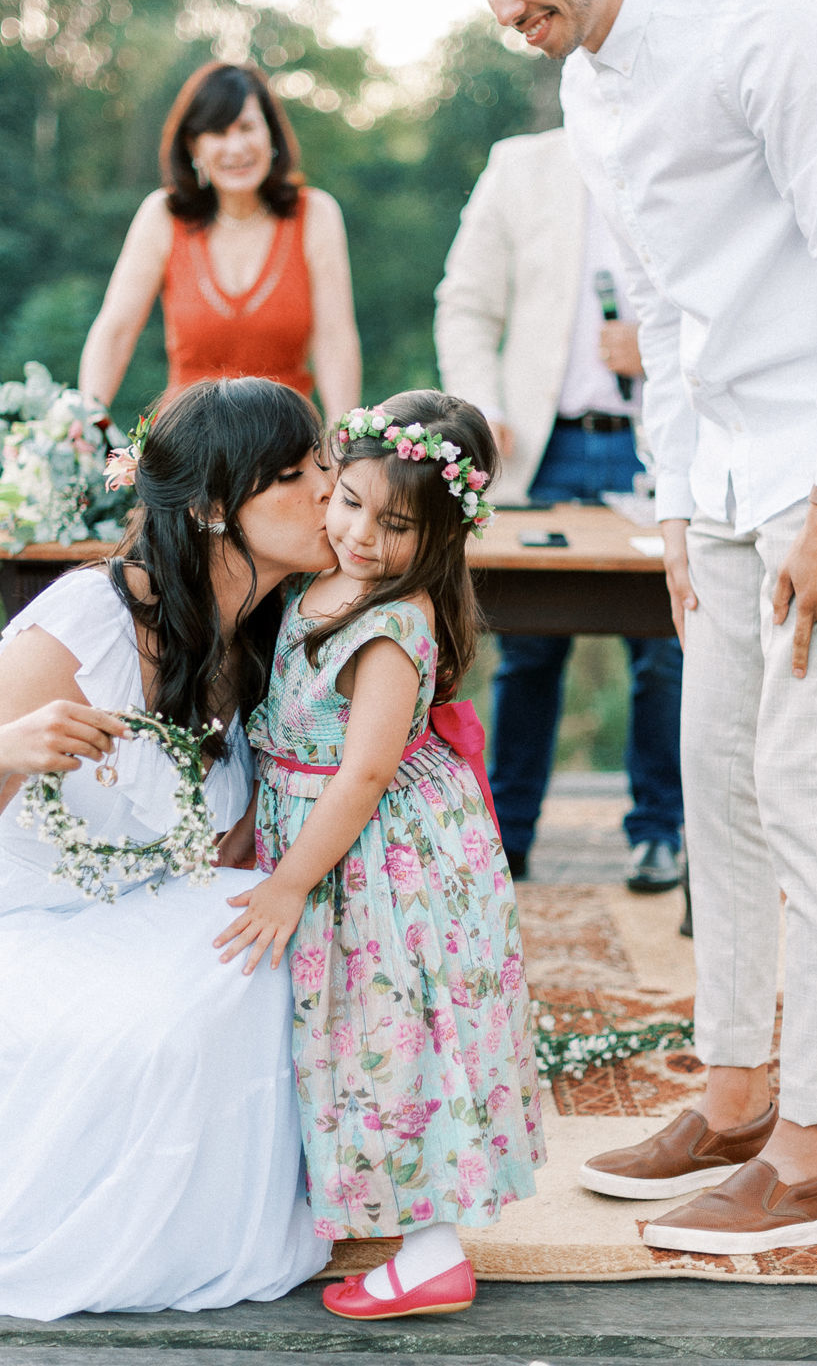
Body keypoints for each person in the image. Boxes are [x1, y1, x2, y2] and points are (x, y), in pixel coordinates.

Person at [433, 0, 817, 1257]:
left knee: (811, 796)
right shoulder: (584, 92)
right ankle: (740, 1094)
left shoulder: (762, 30)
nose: (512, 10)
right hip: (720, 487)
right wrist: (679, 514)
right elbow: (672, 319)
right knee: (716, 784)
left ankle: (815, 1154)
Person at [0, 378, 338, 1319]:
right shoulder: (84, 622)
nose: (325, 491)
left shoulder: (274, 633)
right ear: (214, 507)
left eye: (323, 466)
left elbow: (229, 851)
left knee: (280, 956)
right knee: (179, 1021)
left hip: (130, 912)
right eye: (294, 475)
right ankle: (124, 1233)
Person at [214, 390, 544, 1321]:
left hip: (383, 859)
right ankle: (374, 1211)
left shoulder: (394, 623)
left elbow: (360, 776)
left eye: (393, 524)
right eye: (348, 500)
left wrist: (286, 880)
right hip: (327, 836)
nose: (359, 532)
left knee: (396, 1033)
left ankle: (434, 1250)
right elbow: (288, 729)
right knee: (349, 1033)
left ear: (438, 537)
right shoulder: (317, 580)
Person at [435, 128, 683, 889]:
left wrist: (662, 348)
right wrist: (481, 407)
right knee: (526, 650)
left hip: (654, 438)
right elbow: (465, 305)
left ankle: (659, 832)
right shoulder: (522, 163)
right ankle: (505, 836)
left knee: (668, 647)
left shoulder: (685, 151)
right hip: (537, 449)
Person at [79, 61, 361, 423]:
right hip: (187, 453)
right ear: (193, 145)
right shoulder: (163, 215)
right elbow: (116, 329)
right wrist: (87, 419)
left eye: (246, 127)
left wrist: (346, 444)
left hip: (289, 448)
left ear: (271, 135)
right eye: (217, 132)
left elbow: (335, 340)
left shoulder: (316, 214)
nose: (236, 147)